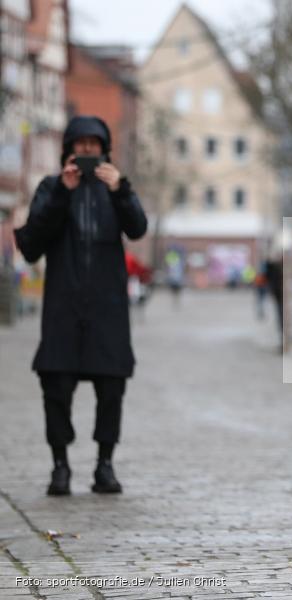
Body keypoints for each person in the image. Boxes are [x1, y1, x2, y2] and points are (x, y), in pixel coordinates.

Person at [13, 115, 147, 496]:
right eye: (80, 144)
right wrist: (62, 194)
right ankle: (60, 466)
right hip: (63, 307)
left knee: (112, 387)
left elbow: (138, 227)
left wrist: (121, 188)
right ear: (68, 149)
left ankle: (105, 464)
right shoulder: (52, 187)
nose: (87, 150)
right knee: (55, 386)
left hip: (107, 308)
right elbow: (32, 243)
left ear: (104, 149)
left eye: (94, 144)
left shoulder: (115, 189)